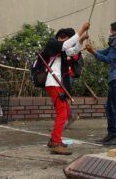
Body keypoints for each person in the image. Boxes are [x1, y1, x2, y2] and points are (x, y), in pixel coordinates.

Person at [39, 22, 90, 155]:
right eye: (67, 38)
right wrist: (81, 30)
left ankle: (54, 139)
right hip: (53, 83)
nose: (68, 42)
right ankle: (55, 142)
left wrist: (81, 41)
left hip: (58, 84)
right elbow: (67, 45)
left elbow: (73, 51)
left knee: (65, 112)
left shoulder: (60, 50)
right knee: (62, 113)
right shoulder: (52, 44)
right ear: (61, 38)